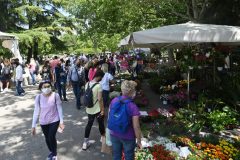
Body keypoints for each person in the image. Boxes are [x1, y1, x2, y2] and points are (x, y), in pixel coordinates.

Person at [108, 80, 142, 160]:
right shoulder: (133, 106)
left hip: (114, 133)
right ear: (132, 92)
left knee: (116, 155)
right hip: (128, 136)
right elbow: (136, 127)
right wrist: (139, 141)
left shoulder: (114, 100)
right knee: (129, 156)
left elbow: (110, 116)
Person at [31, 81, 64, 160]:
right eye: (44, 87)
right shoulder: (38, 97)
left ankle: (54, 154)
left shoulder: (55, 95)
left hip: (54, 120)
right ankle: (51, 151)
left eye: (48, 86)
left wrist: (61, 122)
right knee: (47, 137)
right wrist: (33, 126)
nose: (47, 88)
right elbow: (36, 111)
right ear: (41, 88)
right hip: (43, 121)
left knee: (51, 136)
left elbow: (59, 108)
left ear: (51, 87)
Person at [82, 69, 105, 150]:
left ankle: (85, 142)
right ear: (99, 77)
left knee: (89, 124)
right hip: (97, 109)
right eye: (102, 77)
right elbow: (100, 99)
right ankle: (103, 138)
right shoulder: (99, 86)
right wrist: (102, 110)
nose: (102, 79)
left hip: (89, 108)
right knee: (101, 123)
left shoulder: (87, 84)